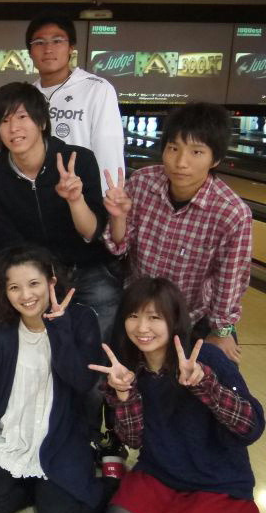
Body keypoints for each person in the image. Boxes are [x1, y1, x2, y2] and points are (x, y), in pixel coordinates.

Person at [92, 277, 262, 513]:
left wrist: (205, 385)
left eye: (154, 317)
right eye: (133, 316)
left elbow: (251, 427)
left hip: (217, 484)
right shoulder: (127, 366)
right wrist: (124, 395)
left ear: (174, 320)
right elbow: (133, 440)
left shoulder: (205, 358)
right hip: (159, 475)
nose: (142, 328)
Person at [0, 246, 111, 513]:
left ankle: (112, 484)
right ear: (5, 291)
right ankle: (38, 487)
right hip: (13, 438)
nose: (26, 295)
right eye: (14, 287)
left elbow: (82, 381)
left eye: (34, 283)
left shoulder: (81, 319)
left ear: (51, 282)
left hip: (63, 439)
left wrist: (60, 329)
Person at [103, 102, 251, 364]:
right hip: (139, 310)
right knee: (118, 379)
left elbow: (230, 280)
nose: (181, 162)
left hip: (191, 317)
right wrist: (118, 217)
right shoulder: (142, 182)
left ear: (215, 159)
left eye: (196, 152)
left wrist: (221, 331)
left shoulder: (232, 213)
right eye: (173, 148)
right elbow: (119, 246)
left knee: (217, 376)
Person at [0, 82, 119, 339]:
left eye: (22, 117)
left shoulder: (79, 160)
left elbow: (92, 232)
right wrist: (43, 278)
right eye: (4, 121)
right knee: (45, 346)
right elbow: (9, 241)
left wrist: (75, 200)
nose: (14, 128)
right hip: (35, 275)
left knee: (97, 342)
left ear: (42, 122)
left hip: (86, 269)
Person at [27, 13, 124, 186]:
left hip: (82, 192)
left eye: (57, 41)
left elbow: (108, 149)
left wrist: (109, 194)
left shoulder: (97, 88)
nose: (48, 49)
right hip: (38, 193)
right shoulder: (27, 94)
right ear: (30, 52)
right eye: (39, 42)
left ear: (71, 47)